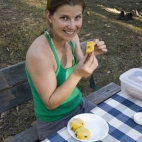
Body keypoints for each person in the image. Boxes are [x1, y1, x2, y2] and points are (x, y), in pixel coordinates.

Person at [25, 0, 107, 141]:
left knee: (112, 131)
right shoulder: (39, 53)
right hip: (54, 121)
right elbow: (50, 104)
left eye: (77, 17)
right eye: (64, 18)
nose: (73, 26)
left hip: (80, 105)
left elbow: (86, 77)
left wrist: (90, 57)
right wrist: (76, 74)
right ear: (50, 16)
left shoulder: (72, 37)